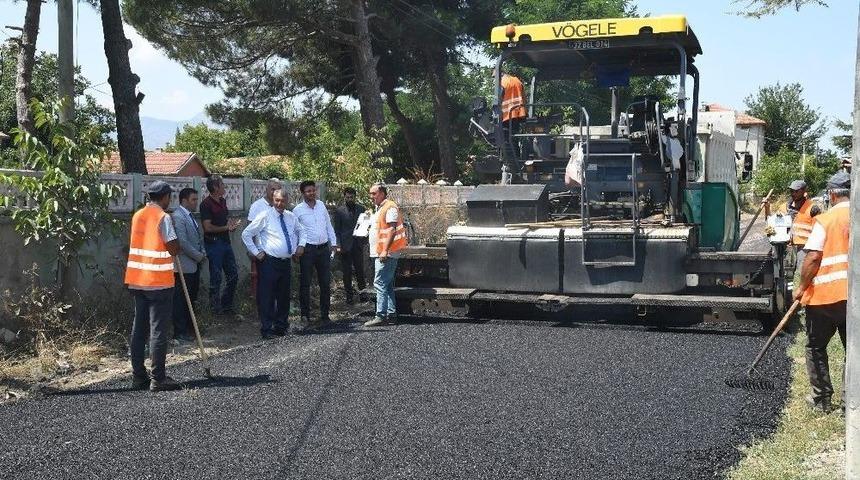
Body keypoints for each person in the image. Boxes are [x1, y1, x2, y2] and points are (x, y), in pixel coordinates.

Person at [793, 171, 851, 413]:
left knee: (815, 347)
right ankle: (851, 403)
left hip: (825, 298)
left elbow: (813, 257)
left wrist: (801, 287)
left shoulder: (826, 220)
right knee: (853, 351)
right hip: (853, 299)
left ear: (832, 194)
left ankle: (822, 400)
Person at [125, 181, 181, 392]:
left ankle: (139, 376)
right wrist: (177, 244)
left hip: (137, 279)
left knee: (139, 329)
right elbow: (173, 247)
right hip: (158, 282)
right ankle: (158, 378)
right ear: (165, 197)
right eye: (169, 197)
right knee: (158, 330)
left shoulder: (137, 215)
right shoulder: (163, 217)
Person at [242, 189, 305, 339]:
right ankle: (267, 329)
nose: (279, 203)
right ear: (272, 200)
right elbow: (246, 234)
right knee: (267, 296)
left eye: (282, 201)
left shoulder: (291, 216)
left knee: (283, 296)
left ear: (287, 201)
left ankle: (281, 327)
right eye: (277, 200)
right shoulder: (265, 215)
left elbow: (302, 231)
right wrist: (256, 252)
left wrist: (301, 245)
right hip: (269, 262)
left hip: (285, 263)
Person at [293, 180, 339, 326]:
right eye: (308, 191)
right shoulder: (297, 210)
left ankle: (325, 315)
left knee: (325, 283)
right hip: (307, 250)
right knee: (305, 283)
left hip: (323, 249)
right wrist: (295, 250)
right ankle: (305, 315)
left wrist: (333, 243)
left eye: (313, 190)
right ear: (302, 193)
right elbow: (294, 232)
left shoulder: (321, 206)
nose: (312, 193)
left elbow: (328, 225)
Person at [363, 183, 408, 327]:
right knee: (387, 284)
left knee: (380, 283)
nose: (371, 196)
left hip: (387, 252)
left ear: (382, 193)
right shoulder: (380, 208)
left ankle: (380, 315)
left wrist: (384, 250)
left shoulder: (390, 207)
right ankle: (391, 314)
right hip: (382, 251)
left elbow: (392, 230)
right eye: (370, 194)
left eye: (374, 193)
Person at [200, 175, 240, 314]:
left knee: (233, 275)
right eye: (222, 184)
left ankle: (226, 305)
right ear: (215, 187)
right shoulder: (206, 204)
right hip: (214, 244)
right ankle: (215, 309)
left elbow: (224, 220)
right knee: (216, 277)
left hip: (225, 242)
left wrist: (230, 225)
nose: (224, 186)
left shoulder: (223, 201)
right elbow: (207, 227)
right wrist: (226, 228)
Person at [171, 187, 206, 343]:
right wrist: (198, 256)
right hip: (184, 266)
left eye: (196, 199)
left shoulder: (190, 216)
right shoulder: (178, 216)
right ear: (184, 200)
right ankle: (180, 331)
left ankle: (189, 329)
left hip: (193, 265)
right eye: (193, 200)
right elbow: (182, 242)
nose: (196, 202)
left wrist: (202, 252)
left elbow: (197, 238)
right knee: (181, 300)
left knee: (191, 298)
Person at [247, 178, 283, 299]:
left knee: (278, 287)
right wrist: (253, 251)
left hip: (279, 253)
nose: (274, 192)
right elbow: (250, 231)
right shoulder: (257, 206)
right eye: (272, 189)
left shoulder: (281, 206)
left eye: (277, 190)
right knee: (264, 286)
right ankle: (263, 308)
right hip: (263, 253)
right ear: (266, 189)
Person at [333, 187, 367, 304]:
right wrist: (338, 245)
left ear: (355, 197)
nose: (349, 199)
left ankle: (363, 294)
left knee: (360, 271)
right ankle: (349, 296)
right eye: (347, 197)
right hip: (345, 246)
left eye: (351, 197)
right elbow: (337, 230)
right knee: (346, 273)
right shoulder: (339, 211)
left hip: (358, 244)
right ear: (344, 197)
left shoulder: (361, 209)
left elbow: (365, 226)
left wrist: (364, 241)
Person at [786, 179, 819, 269]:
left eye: (796, 191)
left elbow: (818, 231)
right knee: (787, 273)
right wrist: (767, 208)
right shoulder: (786, 207)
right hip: (789, 246)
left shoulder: (813, 208)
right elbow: (773, 223)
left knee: (801, 271)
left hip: (805, 248)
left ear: (804, 191)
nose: (793, 193)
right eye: (791, 191)